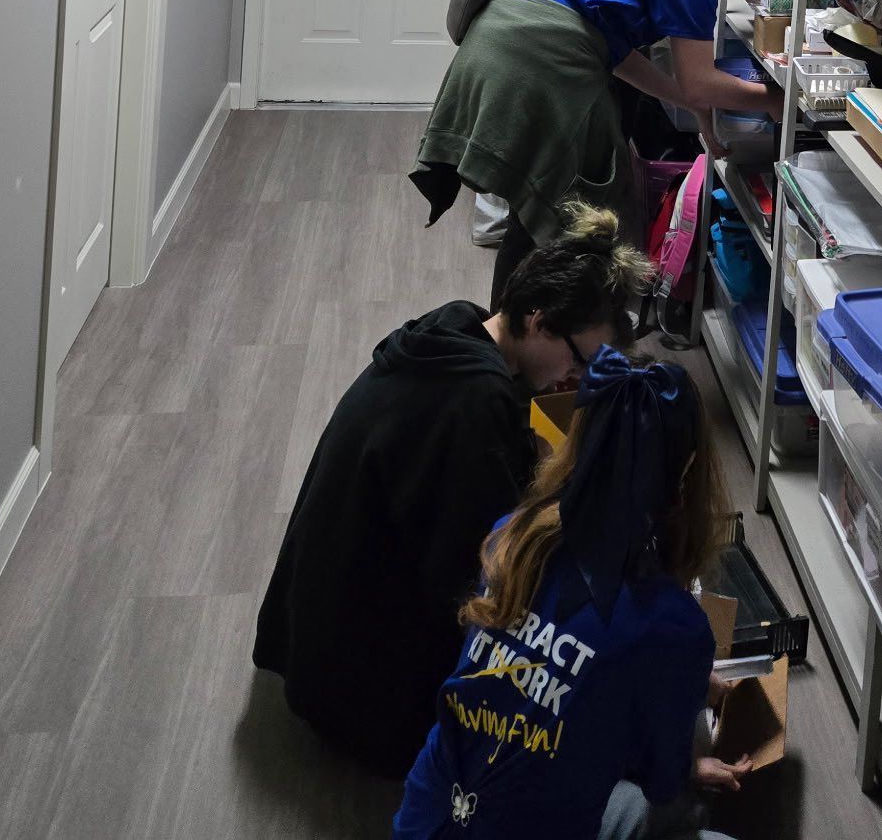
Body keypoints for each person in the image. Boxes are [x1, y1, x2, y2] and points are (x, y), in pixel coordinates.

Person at [253, 206, 650, 779]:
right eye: (580, 360)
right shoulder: (473, 405)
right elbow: (491, 575)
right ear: (538, 322)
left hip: (312, 640)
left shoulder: (453, 331)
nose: (576, 380)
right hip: (361, 698)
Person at [392, 351, 749, 840]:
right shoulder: (672, 625)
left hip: (425, 820)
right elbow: (663, 783)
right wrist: (676, 697)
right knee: (688, 820)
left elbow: (539, 686)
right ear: (685, 475)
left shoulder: (511, 539)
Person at [410, 0, 780, 307]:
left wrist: (693, 105)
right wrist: (774, 99)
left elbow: (619, 54)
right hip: (540, 56)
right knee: (583, 214)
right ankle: (529, 349)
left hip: (496, 39)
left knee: (537, 213)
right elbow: (700, 79)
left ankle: (522, 348)